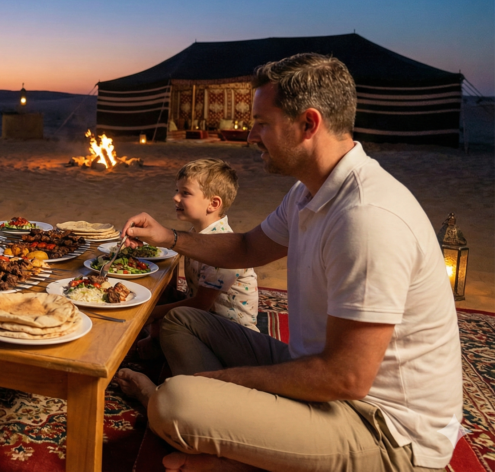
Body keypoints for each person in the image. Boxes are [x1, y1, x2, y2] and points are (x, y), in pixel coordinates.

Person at [115, 53, 461, 471]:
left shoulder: (366, 218)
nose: (250, 136)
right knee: (181, 323)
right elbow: (246, 249)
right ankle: (227, 435)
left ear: (308, 125)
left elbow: (346, 378)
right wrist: (169, 238)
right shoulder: (307, 193)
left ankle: (219, 437)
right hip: (314, 376)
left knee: (173, 401)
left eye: (262, 123)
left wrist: (221, 382)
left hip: (383, 428)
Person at [133, 158, 258, 360]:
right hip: (206, 317)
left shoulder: (221, 247)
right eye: (176, 191)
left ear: (213, 203)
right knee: (161, 294)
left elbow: (201, 304)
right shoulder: (198, 233)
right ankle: (155, 342)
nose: (175, 198)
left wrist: (150, 314)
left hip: (232, 335)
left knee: (159, 313)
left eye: (185, 193)